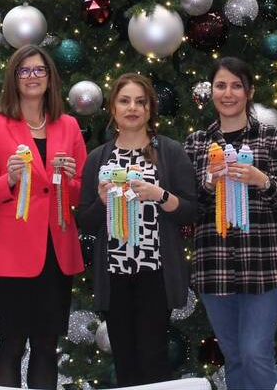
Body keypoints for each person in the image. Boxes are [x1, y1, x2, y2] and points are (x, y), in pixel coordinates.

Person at [0, 44, 86, 389]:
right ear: (14, 78)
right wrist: (8, 179)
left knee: (47, 346)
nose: (32, 77)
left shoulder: (69, 125)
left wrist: (70, 179)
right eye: (25, 70)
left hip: (57, 251)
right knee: (12, 344)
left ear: (50, 77)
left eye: (39, 70)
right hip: (14, 254)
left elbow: (82, 191)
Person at [78, 73, 196, 387]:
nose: (133, 108)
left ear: (150, 109)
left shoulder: (169, 152)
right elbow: (85, 222)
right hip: (114, 275)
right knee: (125, 361)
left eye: (140, 102)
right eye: (124, 101)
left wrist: (161, 196)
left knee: (154, 358)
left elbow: (190, 210)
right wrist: (103, 202)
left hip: (155, 274)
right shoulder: (98, 159)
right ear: (113, 109)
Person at [184, 57, 277, 390]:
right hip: (214, 265)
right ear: (211, 91)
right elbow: (187, 209)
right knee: (233, 356)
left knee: (255, 352)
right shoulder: (196, 143)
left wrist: (262, 179)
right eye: (221, 85)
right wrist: (205, 184)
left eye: (236, 85)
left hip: (265, 265)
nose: (228, 93)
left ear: (249, 92)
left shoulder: (273, 138)